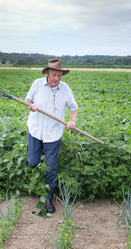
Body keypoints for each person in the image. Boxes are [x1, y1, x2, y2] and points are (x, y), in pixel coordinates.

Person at [25, 59, 78, 213]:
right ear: (47, 72)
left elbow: (73, 108)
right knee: (33, 163)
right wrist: (31, 105)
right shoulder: (37, 84)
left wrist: (72, 121)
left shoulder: (65, 89)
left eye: (59, 76)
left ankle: (48, 197)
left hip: (53, 134)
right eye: (54, 75)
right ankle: (40, 159)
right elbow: (28, 99)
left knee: (51, 167)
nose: (56, 78)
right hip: (36, 130)